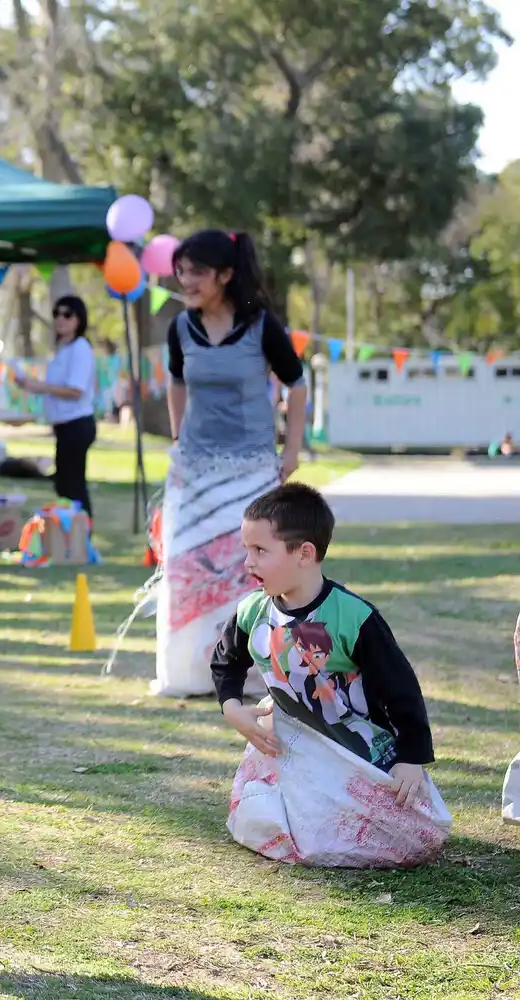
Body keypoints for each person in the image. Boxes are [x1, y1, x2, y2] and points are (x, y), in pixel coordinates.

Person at [150, 230, 307, 698]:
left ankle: (257, 676)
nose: (185, 280)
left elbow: (296, 384)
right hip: (195, 470)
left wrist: (292, 451)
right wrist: (179, 439)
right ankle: (190, 675)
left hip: (251, 469)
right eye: (180, 271)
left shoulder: (261, 325)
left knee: (252, 570)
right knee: (187, 568)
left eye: (196, 271)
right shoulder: (179, 327)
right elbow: (177, 381)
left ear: (225, 274)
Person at [211, 483, 435, 807]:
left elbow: (402, 691)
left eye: (260, 550)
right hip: (293, 751)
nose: (248, 562)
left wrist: (411, 759)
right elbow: (226, 661)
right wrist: (231, 707)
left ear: (304, 553)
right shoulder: (252, 611)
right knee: (259, 821)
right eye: (247, 549)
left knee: (405, 839)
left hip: (363, 757)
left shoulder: (354, 618)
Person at [16, 294, 97, 515]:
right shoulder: (64, 348)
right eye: (57, 314)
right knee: (64, 485)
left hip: (77, 424)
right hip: (65, 425)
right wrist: (31, 385)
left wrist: (42, 387)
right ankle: (71, 535)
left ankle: (82, 538)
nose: (61, 319)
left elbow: (75, 390)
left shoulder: (80, 347)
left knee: (73, 486)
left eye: (67, 314)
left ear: (78, 319)